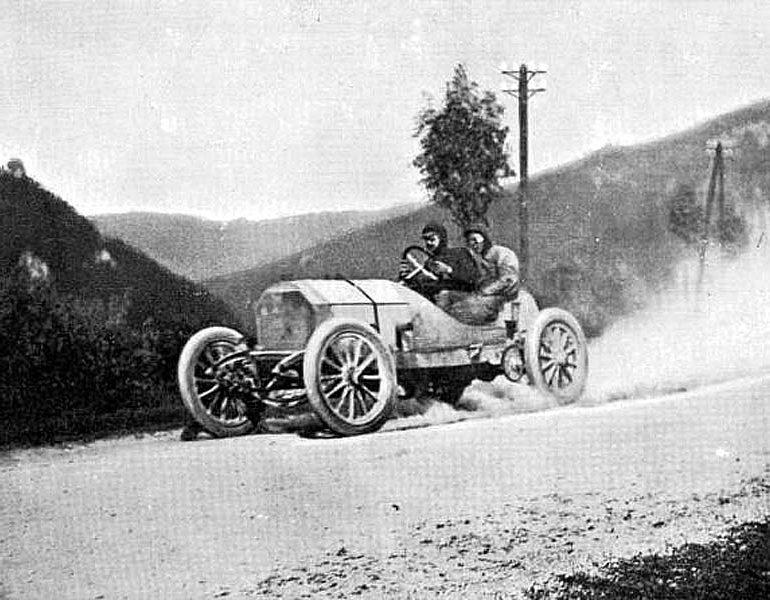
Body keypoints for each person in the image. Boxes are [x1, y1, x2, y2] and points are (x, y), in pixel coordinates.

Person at [442, 223, 520, 325]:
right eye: (470, 241)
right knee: (445, 296)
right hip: (481, 296)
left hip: (500, 297)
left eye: (475, 240)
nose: (473, 244)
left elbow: (508, 280)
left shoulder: (502, 253)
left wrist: (485, 291)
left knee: (464, 309)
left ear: (485, 239)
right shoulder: (477, 258)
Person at [399, 221, 479, 302]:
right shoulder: (429, 263)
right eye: (426, 239)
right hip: (437, 302)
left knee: (443, 295)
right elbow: (422, 285)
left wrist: (448, 270)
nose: (428, 242)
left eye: (431, 239)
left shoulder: (460, 253)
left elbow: (472, 278)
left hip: (463, 298)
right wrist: (407, 276)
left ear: (441, 238)